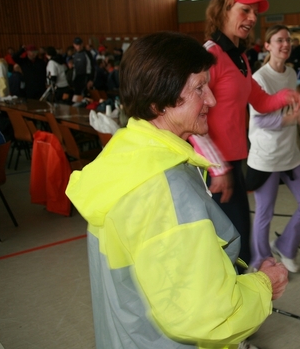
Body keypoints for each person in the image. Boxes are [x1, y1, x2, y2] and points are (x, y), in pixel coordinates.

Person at [65, 31, 288, 349]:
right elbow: (207, 315)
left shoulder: (126, 155)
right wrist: (265, 284)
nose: (211, 99)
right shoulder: (166, 190)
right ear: (158, 104)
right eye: (199, 88)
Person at [189, 0, 300, 271]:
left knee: (239, 243)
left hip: (233, 161)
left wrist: (286, 96)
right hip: (213, 166)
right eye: (245, 10)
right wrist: (216, 168)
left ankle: (236, 292)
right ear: (224, 11)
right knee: (233, 244)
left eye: (254, 12)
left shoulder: (238, 58)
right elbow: (191, 118)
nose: (252, 18)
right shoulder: (210, 55)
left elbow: (260, 101)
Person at [247, 25, 300, 273]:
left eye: (288, 40)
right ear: (267, 45)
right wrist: (291, 120)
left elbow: (290, 108)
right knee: (265, 213)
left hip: (290, 154)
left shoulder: (291, 73)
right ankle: (261, 260)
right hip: (266, 156)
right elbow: (260, 120)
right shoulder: (260, 78)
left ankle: (286, 246)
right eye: (279, 40)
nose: (285, 44)